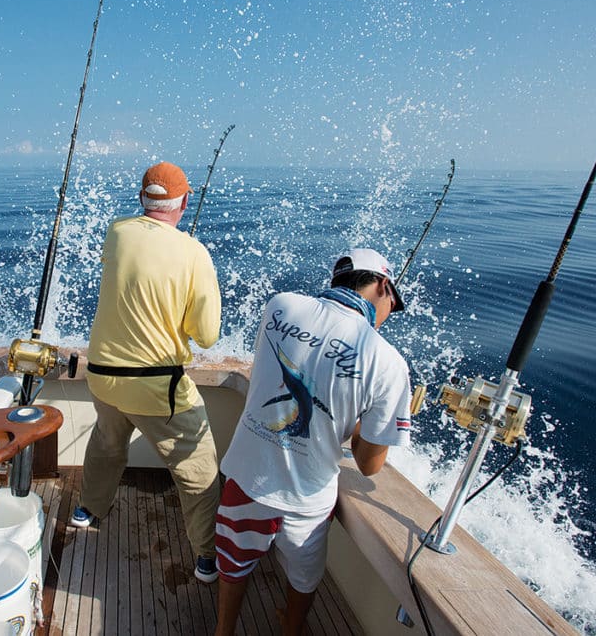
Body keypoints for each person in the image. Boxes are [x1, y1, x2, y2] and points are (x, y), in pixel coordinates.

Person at [214, 248, 412, 635]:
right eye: (393, 302)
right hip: (306, 502)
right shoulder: (388, 362)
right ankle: (290, 625)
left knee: (233, 566)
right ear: (384, 286)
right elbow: (370, 464)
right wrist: (356, 420)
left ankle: (223, 631)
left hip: (245, 480)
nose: (390, 313)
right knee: (303, 581)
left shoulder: (280, 306)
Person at [70, 161, 223, 583]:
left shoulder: (117, 231)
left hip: (102, 376)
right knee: (199, 468)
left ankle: (89, 508)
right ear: (186, 201)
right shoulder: (195, 252)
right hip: (156, 388)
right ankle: (207, 554)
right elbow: (206, 335)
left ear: (142, 199)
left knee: (107, 440)